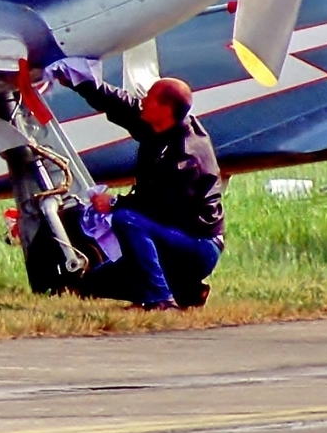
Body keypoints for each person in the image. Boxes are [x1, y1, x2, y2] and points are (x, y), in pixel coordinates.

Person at [44, 59, 224, 310]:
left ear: (165, 109)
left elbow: (161, 208)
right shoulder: (163, 125)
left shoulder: (186, 158)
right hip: (168, 235)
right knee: (92, 285)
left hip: (196, 245)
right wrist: (83, 83)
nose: (143, 101)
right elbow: (123, 107)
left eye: (150, 98)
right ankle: (186, 290)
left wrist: (115, 203)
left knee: (126, 219)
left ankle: (161, 299)